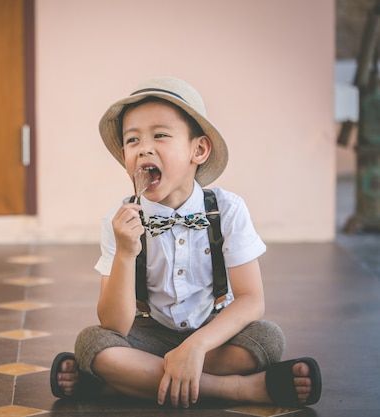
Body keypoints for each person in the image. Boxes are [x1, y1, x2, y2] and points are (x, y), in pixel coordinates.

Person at [49, 76, 321, 409]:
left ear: (199, 150)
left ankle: (123, 383)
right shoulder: (117, 221)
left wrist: (194, 347)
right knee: (92, 342)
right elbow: (115, 325)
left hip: (212, 338)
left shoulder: (227, 209)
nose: (145, 148)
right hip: (150, 335)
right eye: (133, 140)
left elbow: (250, 300)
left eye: (160, 135)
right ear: (124, 157)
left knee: (267, 337)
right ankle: (240, 390)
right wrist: (124, 253)